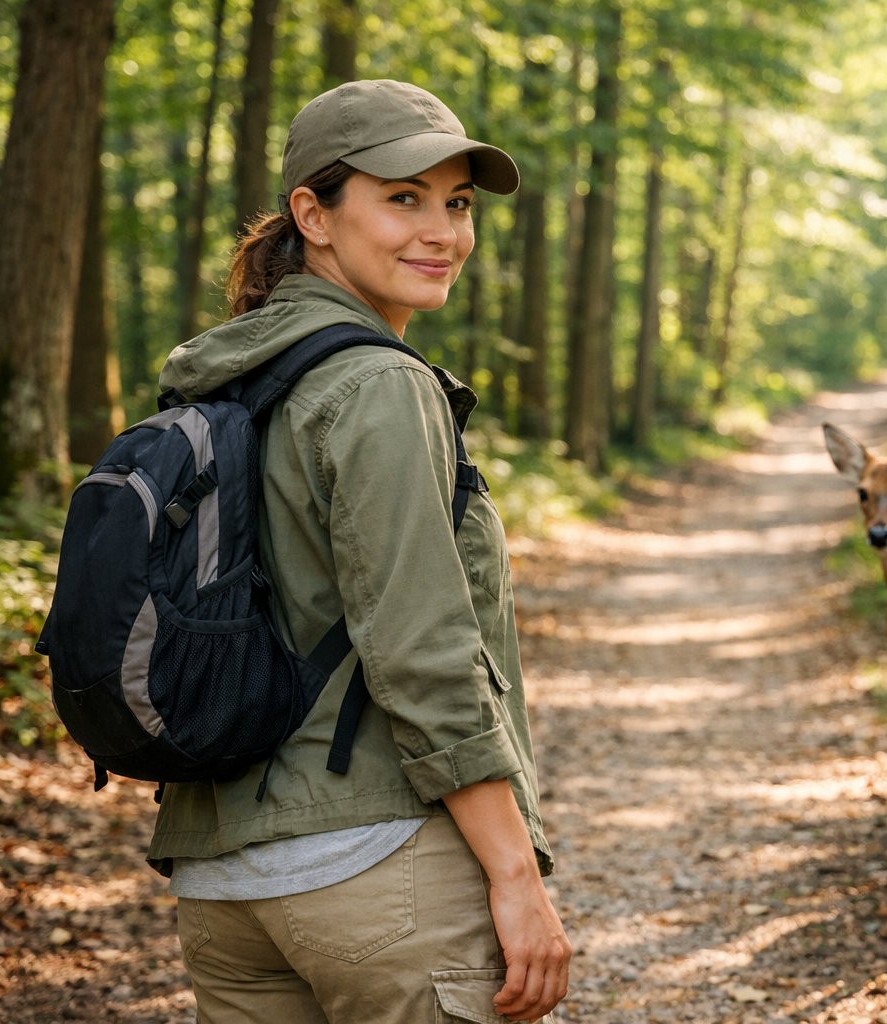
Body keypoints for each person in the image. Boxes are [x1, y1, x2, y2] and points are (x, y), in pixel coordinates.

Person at [145, 79, 572, 1023]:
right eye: (403, 197)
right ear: (315, 214)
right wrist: (516, 874)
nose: (444, 232)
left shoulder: (227, 371)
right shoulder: (379, 385)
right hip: (376, 873)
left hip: (224, 886)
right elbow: (422, 651)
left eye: (456, 204)